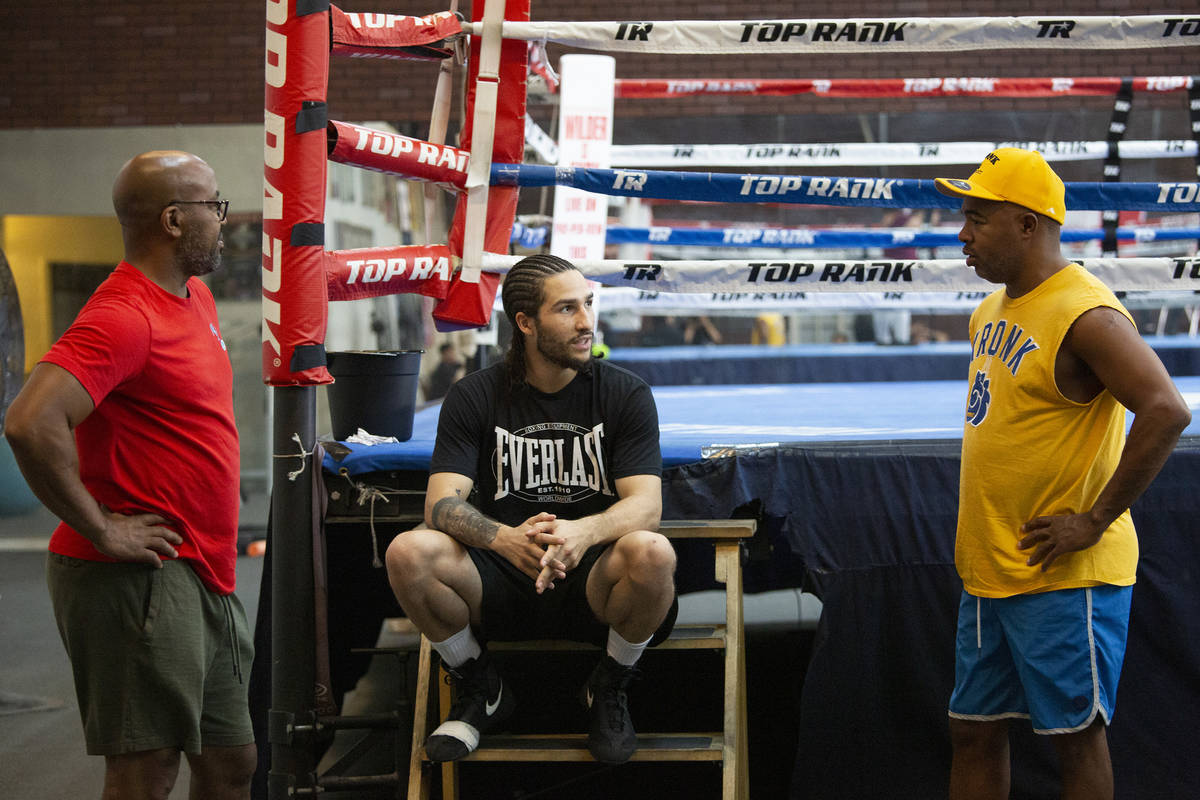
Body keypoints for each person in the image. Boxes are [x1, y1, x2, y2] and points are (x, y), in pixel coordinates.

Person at [934, 148, 1191, 799]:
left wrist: (1096, 519)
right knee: (972, 730)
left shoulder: (1086, 313)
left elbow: (1165, 409)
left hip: (1062, 575)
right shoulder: (990, 311)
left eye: (977, 218)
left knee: (1075, 739)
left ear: (1026, 224)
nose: (962, 233)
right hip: (991, 568)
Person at [4, 151, 255, 799]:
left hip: (205, 567)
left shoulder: (193, 296)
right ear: (174, 220)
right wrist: (102, 528)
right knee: (147, 771)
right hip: (139, 575)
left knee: (233, 764)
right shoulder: (124, 315)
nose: (222, 221)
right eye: (213, 207)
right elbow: (30, 422)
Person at [385, 253, 677, 765]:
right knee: (409, 551)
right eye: (567, 309)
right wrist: (504, 538)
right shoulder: (475, 396)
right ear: (525, 323)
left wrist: (583, 533)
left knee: (652, 552)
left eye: (588, 304)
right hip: (503, 578)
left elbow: (646, 506)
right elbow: (440, 504)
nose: (587, 321)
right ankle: (482, 689)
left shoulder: (625, 394)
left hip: (594, 581)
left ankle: (608, 687)